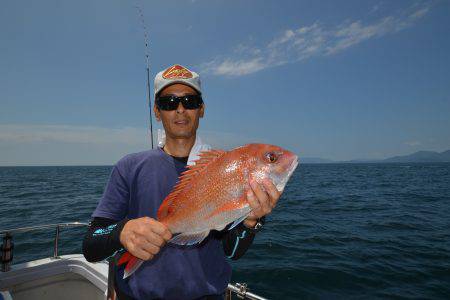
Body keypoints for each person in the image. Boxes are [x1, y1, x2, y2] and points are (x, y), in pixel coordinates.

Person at [82, 64, 282, 300]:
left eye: (190, 101)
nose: (180, 109)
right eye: (169, 103)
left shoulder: (225, 170)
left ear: (202, 109)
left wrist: (250, 221)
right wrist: (121, 232)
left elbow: (232, 251)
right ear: (157, 111)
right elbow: (91, 245)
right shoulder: (129, 167)